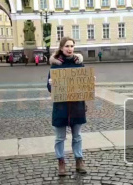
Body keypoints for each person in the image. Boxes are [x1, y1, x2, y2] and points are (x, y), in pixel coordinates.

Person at [46, 37, 87, 176]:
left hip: (77, 106)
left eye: (72, 46)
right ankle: (61, 162)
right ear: (62, 48)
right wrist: (51, 83)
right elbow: (49, 87)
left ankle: (79, 160)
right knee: (59, 137)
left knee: (77, 136)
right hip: (61, 106)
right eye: (67, 46)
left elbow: (84, 86)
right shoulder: (56, 65)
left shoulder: (79, 64)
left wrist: (89, 82)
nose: (69, 48)